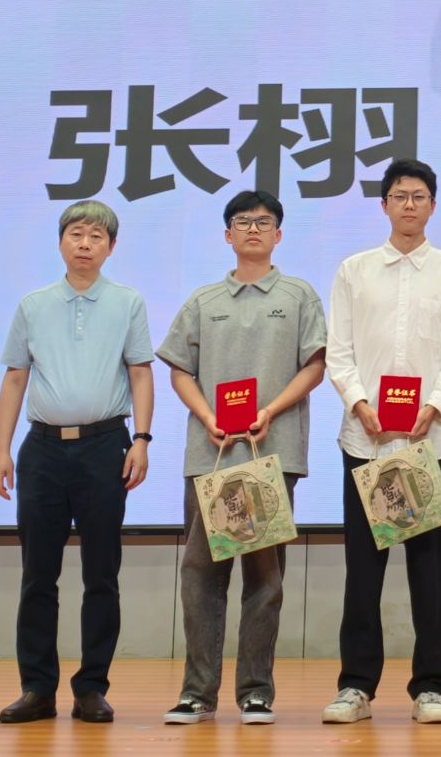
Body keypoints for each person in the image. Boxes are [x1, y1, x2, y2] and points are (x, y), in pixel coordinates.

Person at [156, 189, 326, 727]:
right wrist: (207, 415)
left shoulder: (298, 295)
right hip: (211, 456)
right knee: (201, 574)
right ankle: (197, 693)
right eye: (243, 221)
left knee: (265, 578)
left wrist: (270, 410)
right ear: (227, 235)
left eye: (264, 221)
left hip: (271, 453)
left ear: (279, 234)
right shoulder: (203, 300)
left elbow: (315, 366)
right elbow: (179, 369)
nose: (254, 229)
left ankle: (256, 692)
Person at [320, 159, 441, 726]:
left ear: (433, 205)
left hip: (430, 442)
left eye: (419, 195)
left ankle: (430, 687)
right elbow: (339, 351)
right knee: (363, 571)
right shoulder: (353, 270)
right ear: (384, 205)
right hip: (366, 440)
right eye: (399, 195)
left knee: (428, 572)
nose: (409, 204)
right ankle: (356, 687)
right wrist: (360, 404)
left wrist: (434, 406)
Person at [0, 200, 154, 726]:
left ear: (111, 247)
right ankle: (37, 689)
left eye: (96, 236)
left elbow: (141, 373)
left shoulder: (127, 302)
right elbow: (15, 377)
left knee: (101, 573)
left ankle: (91, 688)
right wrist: (2, 450)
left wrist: (142, 439)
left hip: (105, 447)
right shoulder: (33, 305)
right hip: (41, 451)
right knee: (38, 574)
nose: (85, 244)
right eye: (76, 234)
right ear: (61, 241)